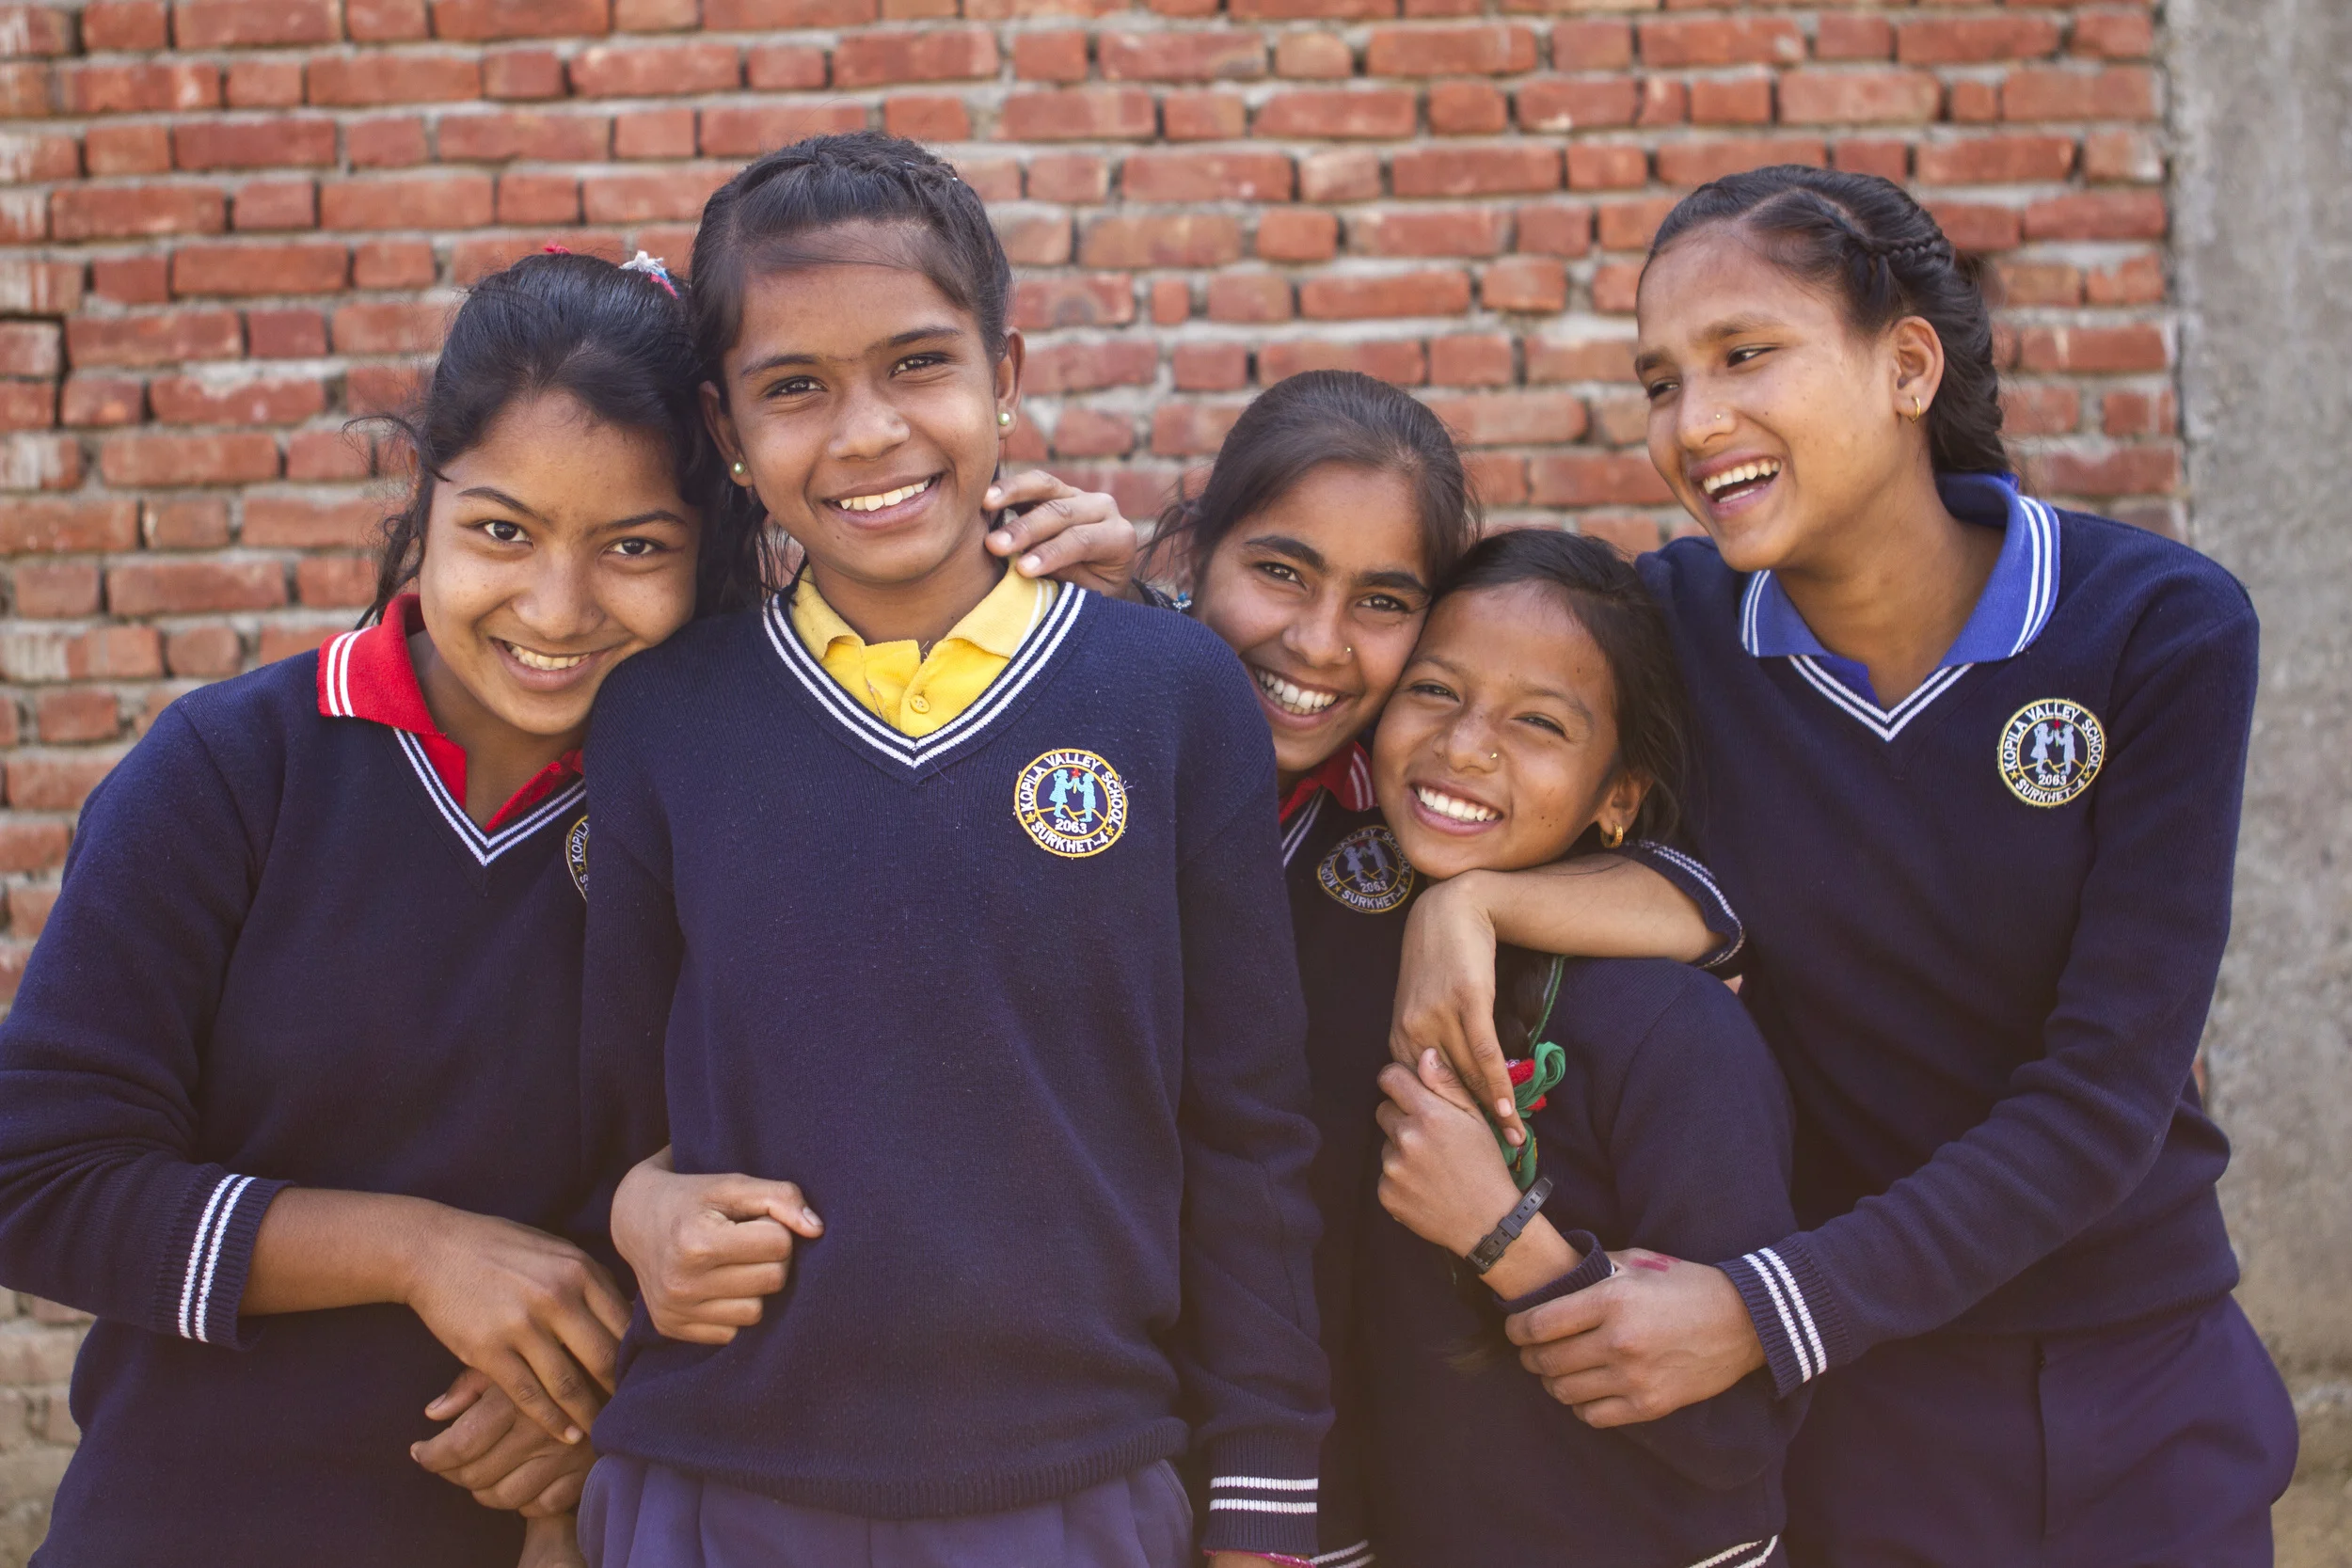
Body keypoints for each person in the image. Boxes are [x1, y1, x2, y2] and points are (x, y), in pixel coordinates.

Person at [1397, 166, 2297, 1565]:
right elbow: (1391, 690)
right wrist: (1470, 891)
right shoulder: (1676, 628)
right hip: (1855, 1406)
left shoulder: (2156, 629)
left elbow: (2103, 1092)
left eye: (1745, 354)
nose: (1694, 425)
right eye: (1659, 381)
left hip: (2129, 1372)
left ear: (1908, 364)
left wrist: (1759, 1307)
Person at [572, 131, 1327, 1568]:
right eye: (794, 388)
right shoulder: (664, 717)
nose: (864, 434)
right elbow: (613, 1101)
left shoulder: (1170, 697)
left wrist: (1265, 1490)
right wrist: (633, 1206)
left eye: (918, 364)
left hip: (1080, 1483)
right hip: (718, 1481)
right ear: (727, 433)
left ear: (1010, 373)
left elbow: (1251, 1133)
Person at [0, 250, 749, 1568]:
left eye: (636, 547)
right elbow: (36, 1177)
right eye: (502, 530)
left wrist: (615, 1386)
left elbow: (802, 1177)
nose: (557, 608)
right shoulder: (237, 768)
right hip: (185, 1524)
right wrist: (417, 1250)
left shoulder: (726, 815)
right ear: (427, 499)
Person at [1361, 526, 1798, 1568]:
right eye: (1432, 689)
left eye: (1539, 721)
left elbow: (1736, 1429)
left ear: (1618, 799)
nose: (1466, 746)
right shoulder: (1344, 950)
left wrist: (1504, 1235)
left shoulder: (1671, 1031)